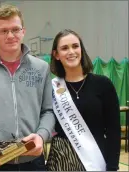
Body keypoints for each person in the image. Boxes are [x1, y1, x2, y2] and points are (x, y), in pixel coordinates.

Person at [0, 4, 55, 171]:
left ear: (23, 31)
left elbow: (48, 111)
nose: (11, 35)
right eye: (3, 31)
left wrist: (41, 136)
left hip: (33, 159)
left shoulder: (41, 68)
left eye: (15, 29)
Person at [46, 29, 121, 171]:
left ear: (81, 49)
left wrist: (112, 167)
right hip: (62, 159)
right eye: (64, 48)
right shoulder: (52, 88)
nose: (71, 51)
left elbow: (113, 130)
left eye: (75, 46)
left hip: (97, 159)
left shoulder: (103, 84)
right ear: (56, 55)